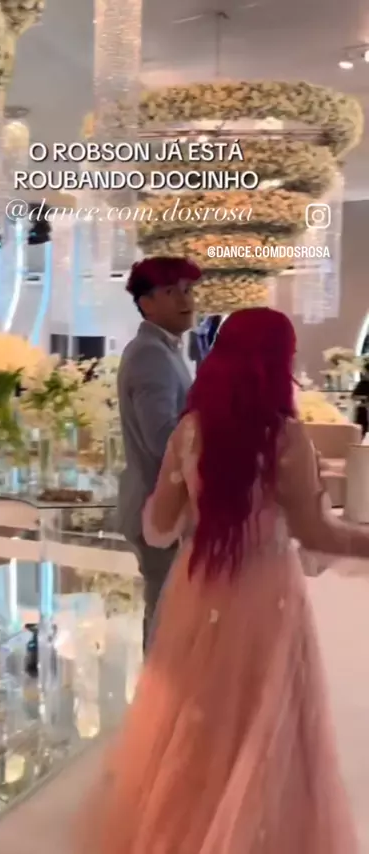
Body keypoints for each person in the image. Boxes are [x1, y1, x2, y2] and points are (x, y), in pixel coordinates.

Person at [76, 308, 368, 854]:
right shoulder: (285, 438)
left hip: (199, 586)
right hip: (267, 594)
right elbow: (317, 533)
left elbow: (158, 526)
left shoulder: (189, 431)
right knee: (264, 717)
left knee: (193, 713)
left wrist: (198, 516)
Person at [117, 256, 200, 650]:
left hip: (158, 503)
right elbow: (163, 437)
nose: (187, 300)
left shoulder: (164, 348)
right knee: (166, 618)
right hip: (156, 506)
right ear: (146, 302)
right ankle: (156, 688)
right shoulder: (150, 354)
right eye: (172, 291)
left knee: (167, 613)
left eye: (188, 290)